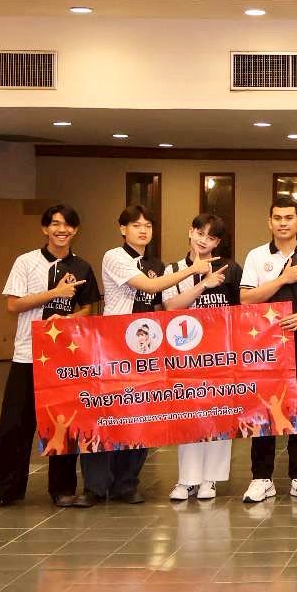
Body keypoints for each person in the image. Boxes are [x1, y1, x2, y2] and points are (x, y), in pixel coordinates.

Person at [85, 204, 215, 504]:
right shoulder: (115, 256)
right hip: (114, 345)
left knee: (141, 415)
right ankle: (95, 487)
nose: (143, 230)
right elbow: (148, 285)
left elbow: (158, 307)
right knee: (106, 414)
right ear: (123, 229)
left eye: (148, 226)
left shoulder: (155, 263)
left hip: (146, 348)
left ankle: (126, 484)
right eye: (136, 225)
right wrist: (192, 270)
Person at [0, 205, 101, 510]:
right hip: (27, 355)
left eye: (68, 225)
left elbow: (89, 309)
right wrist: (54, 293)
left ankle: (62, 489)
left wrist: (70, 318)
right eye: (55, 224)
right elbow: (13, 305)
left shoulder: (83, 267)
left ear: (76, 230)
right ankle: (4, 490)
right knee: (14, 424)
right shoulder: (26, 262)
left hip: (65, 359)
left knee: (64, 425)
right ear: (45, 228)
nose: (62, 230)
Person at [239, 197, 297, 503]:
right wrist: (283, 279)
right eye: (277, 217)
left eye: (288, 217)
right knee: (264, 406)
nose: (283, 223)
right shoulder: (256, 256)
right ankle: (261, 477)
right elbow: (246, 299)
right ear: (269, 222)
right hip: (263, 342)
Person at [162, 213, 242, 502]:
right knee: (188, 415)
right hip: (185, 355)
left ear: (217, 242)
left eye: (211, 237)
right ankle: (187, 479)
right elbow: (171, 307)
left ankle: (210, 479)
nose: (203, 240)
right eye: (200, 233)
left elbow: (241, 311)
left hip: (222, 354)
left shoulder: (230, 269)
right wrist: (203, 285)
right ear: (190, 231)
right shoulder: (173, 269)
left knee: (219, 414)